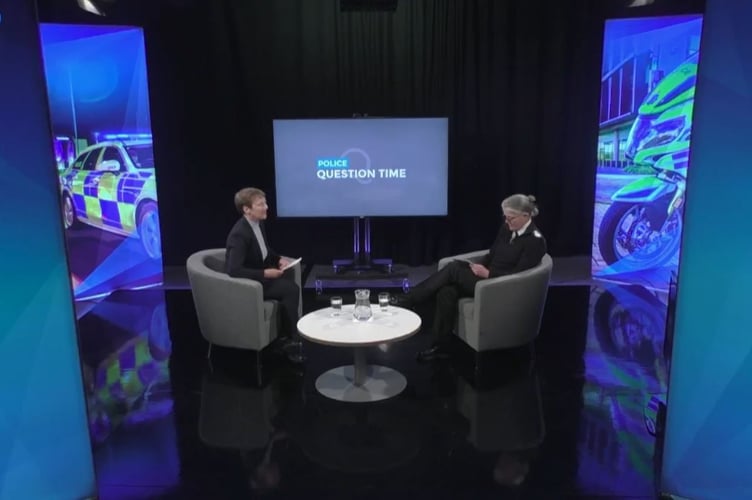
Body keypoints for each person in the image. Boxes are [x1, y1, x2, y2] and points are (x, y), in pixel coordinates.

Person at [392, 194, 547, 362]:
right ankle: (440, 347)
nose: (507, 222)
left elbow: (519, 277)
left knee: (452, 269)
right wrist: (476, 267)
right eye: (505, 217)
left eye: (511, 219)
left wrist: (488, 274)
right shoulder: (506, 229)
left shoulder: (535, 241)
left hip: (501, 287)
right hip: (487, 279)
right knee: (447, 291)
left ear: (526, 216)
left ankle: (407, 299)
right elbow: (492, 254)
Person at [225, 187, 304, 363]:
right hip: (247, 284)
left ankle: (284, 336)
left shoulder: (258, 223)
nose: (266, 207)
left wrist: (278, 259)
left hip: (259, 277)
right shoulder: (239, 234)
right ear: (247, 209)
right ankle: (293, 340)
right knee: (290, 289)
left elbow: (264, 250)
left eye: (265, 203)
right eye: (261, 204)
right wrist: (265, 273)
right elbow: (234, 270)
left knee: (288, 282)